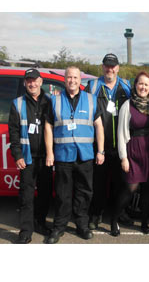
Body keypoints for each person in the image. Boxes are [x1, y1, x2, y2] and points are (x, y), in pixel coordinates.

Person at [44, 66, 105, 244]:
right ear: (65, 79)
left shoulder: (91, 100)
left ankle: (82, 225)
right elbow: (48, 127)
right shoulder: (54, 100)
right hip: (63, 155)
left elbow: (99, 126)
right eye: (69, 77)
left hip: (85, 155)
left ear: (80, 80)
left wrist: (100, 150)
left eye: (75, 78)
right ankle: (59, 227)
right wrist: (50, 152)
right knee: (63, 194)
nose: (72, 80)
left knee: (84, 193)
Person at [110, 71, 149, 236]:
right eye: (140, 83)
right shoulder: (128, 105)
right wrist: (123, 157)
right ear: (135, 85)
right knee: (130, 188)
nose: (143, 87)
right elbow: (121, 133)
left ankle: (144, 222)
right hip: (133, 151)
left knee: (148, 189)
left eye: (146, 84)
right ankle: (114, 219)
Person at [85, 53, 131, 230]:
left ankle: (120, 213)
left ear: (118, 68)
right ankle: (96, 213)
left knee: (121, 183)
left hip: (121, 145)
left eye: (113, 66)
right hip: (100, 145)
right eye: (107, 66)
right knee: (99, 183)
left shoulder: (126, 85)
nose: (110, 69)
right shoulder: (93, 85)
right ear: (102, 67)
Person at [8, 68, 53, 244]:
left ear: (41, 81)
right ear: (25, 83)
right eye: (28, 81)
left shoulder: (50, 101)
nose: (31, 83)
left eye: (34, 80)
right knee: (26, 195)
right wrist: (17, 155)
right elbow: (13, 132)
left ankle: (40, 223)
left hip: (46, 157)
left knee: (45, 193)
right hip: (27, 158)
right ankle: (26, 230)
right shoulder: (17, 104)